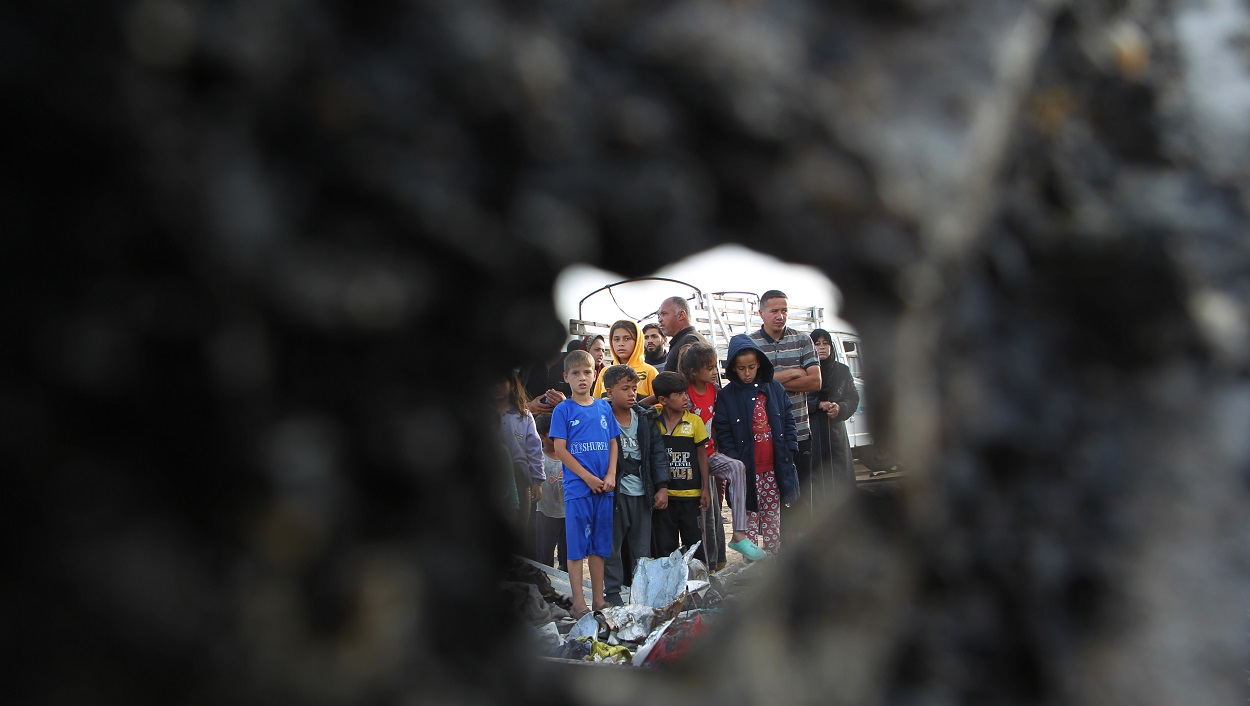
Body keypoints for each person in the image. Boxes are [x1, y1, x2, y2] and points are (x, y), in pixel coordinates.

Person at [679, 343, 766, 562]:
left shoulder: (714, 391)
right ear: (693, 372)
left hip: (708, 455)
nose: (713, 372)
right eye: (708, 368)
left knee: (737, 467)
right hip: (689, 461)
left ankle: (739, 533)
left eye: (714, 367)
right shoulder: (685, 394)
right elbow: (661, 400)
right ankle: (704, 566)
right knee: (703, 514)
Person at [549, 349, 620, 617]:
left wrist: (611, 474)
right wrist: (587, 477)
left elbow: (613, 442)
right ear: (566, 377)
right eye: (576, 373)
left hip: (605, 488)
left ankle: (599, 600)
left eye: (587, 372)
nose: (582, 377)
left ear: (595, 375)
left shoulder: (603, 407)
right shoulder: (563, 410)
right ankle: (579, 602)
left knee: (600, 546)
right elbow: (561, 450)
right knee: (578, 546)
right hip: (579, 489)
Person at [713, 335, 799, 555]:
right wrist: (734, 458)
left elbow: (789, 418)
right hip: (746, 472)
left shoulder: (774, 388)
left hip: (774, 468)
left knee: (772, 517)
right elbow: (723, 432)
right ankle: (750, 567)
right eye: (741, 368)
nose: (747, 373)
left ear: (759, 363)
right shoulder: (727, 396)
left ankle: (772, 562)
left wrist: (789, 447)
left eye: (751, 366)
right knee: (748, 517)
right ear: (733, 367)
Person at [747, 290, 821, 537]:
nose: (780, 316)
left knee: (800, 499)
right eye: (774, 311)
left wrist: (770, 380)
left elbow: (815, 383)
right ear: (761, 313)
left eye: (784, 310)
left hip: (798, 434)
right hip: (764, 438)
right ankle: (774, 557)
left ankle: (801, 555)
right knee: (768, 501)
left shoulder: (803, 340)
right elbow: (750, 386)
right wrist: (795, 372)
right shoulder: (751, 344)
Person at [600, 364, 670, 606]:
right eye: (625, 389)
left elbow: (658, 454)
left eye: (634, 388)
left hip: (642, 493)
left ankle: (642, 595)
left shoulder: (644, 418)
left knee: (642, 549)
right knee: (612, 547)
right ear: (609, 391)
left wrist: (661, 486)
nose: (631, 393)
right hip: (614, 494)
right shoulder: (602, 418)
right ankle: (612, 593)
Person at [650, 371, 712, 564]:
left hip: (690, 496)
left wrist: (706, 488)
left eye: (685, 393)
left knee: (694, 546)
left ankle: (698, 588)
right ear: (662, 400)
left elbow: (702, 455)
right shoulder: (653, 420)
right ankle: (669, 591)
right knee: (665, 547)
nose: (685, 398)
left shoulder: (694, 421)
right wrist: (655, 400)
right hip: (664, 498)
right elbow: (636, 406)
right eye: (678, 394)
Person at [495, 371, 544, 559]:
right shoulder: (483, 413)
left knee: (520, 525)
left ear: (512, 384)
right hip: (492, 475)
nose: (496, 387)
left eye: (501, 382)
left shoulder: (523, 415)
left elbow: (534, 448)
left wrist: (538, 480)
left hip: (520, 476)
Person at [809, 329, 861, 501]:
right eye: (817, 343)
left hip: (836, 433)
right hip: (812, 433)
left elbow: (853, 397)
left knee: (839, 478)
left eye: (826, 343)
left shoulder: (842, 371)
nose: (822, 347)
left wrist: (840, 407)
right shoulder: (805, 372)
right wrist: (818, 404)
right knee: (815, 480)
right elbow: (794, 399)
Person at [591, 320, 659, 401]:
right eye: (616, 339)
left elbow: (660, 405)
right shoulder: (604, 372)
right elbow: (596, 405)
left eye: (627, 339)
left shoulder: (650, 372)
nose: (621, 343)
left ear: (638, 341)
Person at [533, 413, 567, 568]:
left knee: (568, 556)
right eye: (551, 435)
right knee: (545, 554)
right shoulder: (538, 459)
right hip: (546, 513)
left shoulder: (568, 456)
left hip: (568, 513)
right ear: (541, 437)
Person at [519, 340, 575, 416]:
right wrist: (529, 406)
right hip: (532, 421)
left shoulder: (572, 363)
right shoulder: (528, 366)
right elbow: (513, 399)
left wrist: (565, 403)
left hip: (565, 422)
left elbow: (587, 402)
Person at [656, 296, 712, 374]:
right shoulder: (684, 339)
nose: (659, 319)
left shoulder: (690, 340)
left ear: (681, 315)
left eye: (664, 314)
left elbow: (692, 381)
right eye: (659, 315)